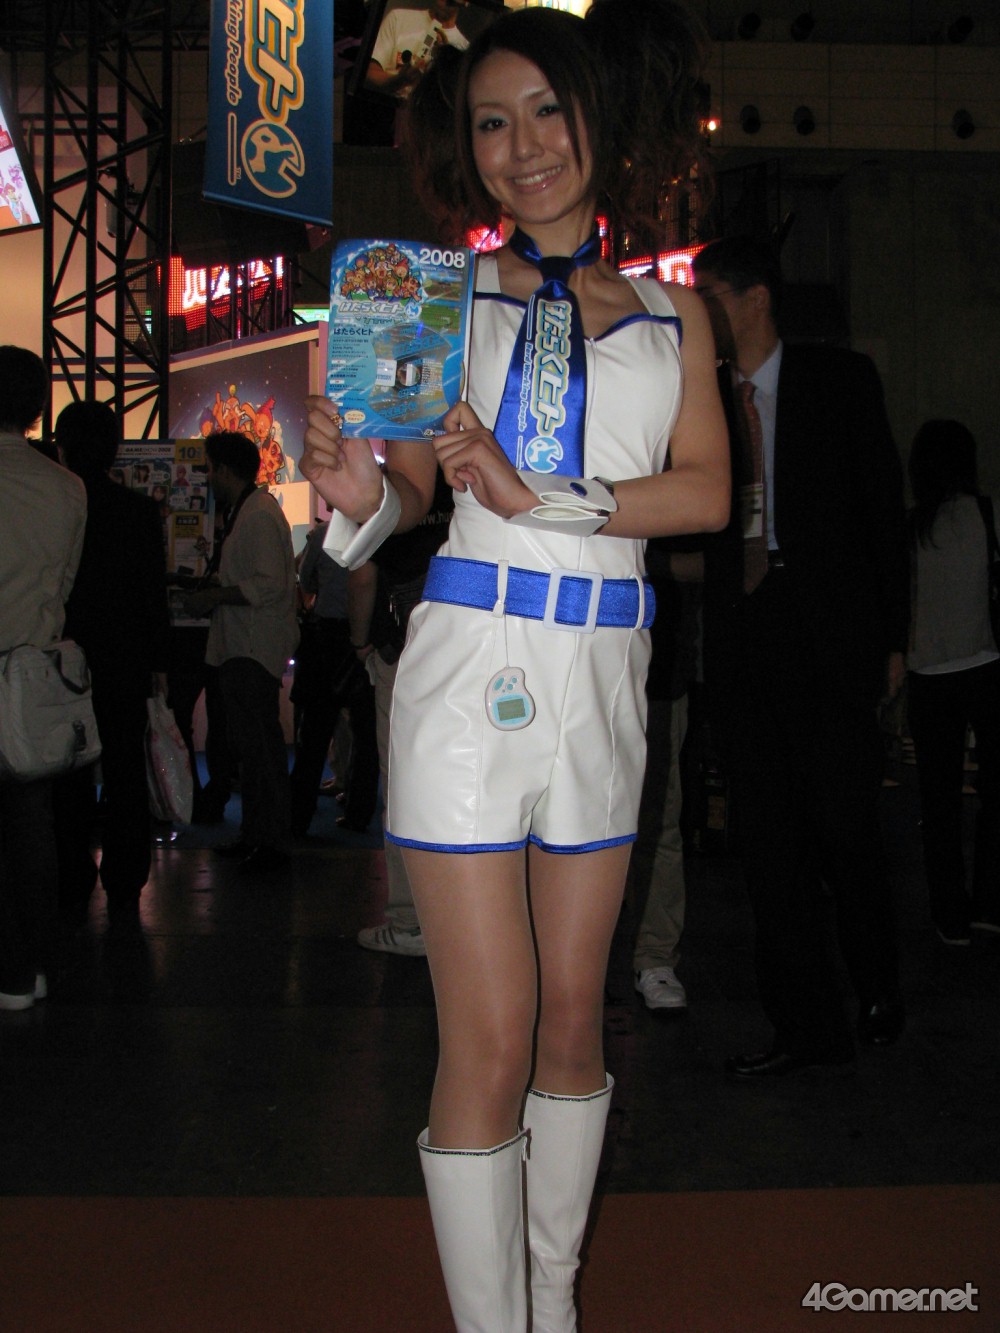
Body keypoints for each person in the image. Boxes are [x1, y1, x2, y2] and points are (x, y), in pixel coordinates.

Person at [302, 4, 729, 1328]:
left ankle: (554, 1300)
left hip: (604, 677)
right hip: (467, 673)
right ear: (465, 144)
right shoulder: (432, 296)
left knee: (573, 1026)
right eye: (493, 121)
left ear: (601, 118)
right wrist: (355, 493)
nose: (523, 146)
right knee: (487, 1035)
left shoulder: (675, 315)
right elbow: (403, 495)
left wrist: (549, 495)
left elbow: (706, 493)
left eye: (547, 110)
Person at [691, 235, 910, 1078]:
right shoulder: (701, 398)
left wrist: (893, 638)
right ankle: (803, 1023)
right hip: (746, 632)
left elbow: (882, 514)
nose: (700, 311)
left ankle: (877, 986)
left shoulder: (837, 382)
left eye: (711, 294)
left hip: (830, 632)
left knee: (845, 828)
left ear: (755, 299)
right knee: (768, 842)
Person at [54, 400, 172, 931]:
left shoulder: (55, 506)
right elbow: (152, 596)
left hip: (62, 660)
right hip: (124, 659)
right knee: (125, 769)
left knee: (66, 770)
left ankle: (71, 873)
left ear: (62, 446)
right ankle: (125, 879)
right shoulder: (138, 511)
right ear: (115, 450)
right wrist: (158, 662)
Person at [0, 346, 87, 1010]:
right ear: (37, 409)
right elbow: (63, 587)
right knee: (31, 824)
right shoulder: (66, 487)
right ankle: (25, 967)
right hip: (30, 676)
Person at [183, 432, 298, 876]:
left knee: (260, 750)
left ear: (227, 470)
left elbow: (268, 584)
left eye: (211, 468)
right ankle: (257, 836)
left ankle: (269, 841)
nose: (208, 477)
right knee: (253, 749)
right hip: (243, 646)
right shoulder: (249, 510)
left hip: (252, 647)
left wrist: (215, 596)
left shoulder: (258, 514)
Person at [349, 470, 454, 957]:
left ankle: (413, 920)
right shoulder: (471, 478)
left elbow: (363, 576)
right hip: (467, 646)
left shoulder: (388, 490)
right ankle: (464, 915)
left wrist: (360, 642)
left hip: (404, 647)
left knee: (405, 784)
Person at [906, 420, 1000, 942]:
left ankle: (950, 913)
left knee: (938, 802)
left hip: (929, 676)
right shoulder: (987, 514)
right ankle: (989, 899)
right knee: (994, 794)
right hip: (987, 665)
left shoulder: (912, 527)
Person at [631, 544, 702, 1012]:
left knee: (659, 820)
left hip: (660, 663)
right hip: (576, 656)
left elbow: (715, 557)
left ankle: (655, 955)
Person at [289, 517, 378, 837]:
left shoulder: (323, 535)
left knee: (314, 731)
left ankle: (298, 814)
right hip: (365, 636)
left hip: (326, 636)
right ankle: (359, 812)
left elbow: (306, 581)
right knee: (366, 733)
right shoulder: (379, 531)